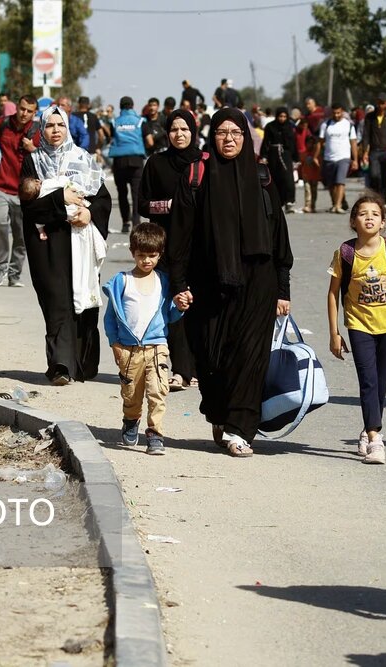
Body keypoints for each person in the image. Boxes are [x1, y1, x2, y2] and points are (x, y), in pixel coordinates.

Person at [167, 108, 294, 457]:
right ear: (212, 136)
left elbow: (278, 236)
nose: (229, 139)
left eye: (236, 133)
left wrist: (283, 288)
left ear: (247, 137)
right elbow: (179, 235)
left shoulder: (263, 176)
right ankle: (221, 413)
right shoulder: (198, 176)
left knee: (250, 357)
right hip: (209, 284)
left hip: (259, 282)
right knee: (211, 357)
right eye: (222, 132)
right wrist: (178, 283)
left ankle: (241, 428)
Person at [20, 106, 113, 386]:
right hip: (48, 241)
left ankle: (82, 363)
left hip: (81, 238)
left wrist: (90, 213)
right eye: (50, 125)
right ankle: (59, 364)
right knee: (56, 299)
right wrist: (60, 198)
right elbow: (29, 206)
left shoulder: (83, 158)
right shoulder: (32, 161)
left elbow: (103, 198)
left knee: (83, 299)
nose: (56, 130)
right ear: (42, 129)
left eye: (61, 125)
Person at [326, 194, 386, 465]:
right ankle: (376, 439)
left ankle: (367, 429)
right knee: (368, 380)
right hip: (358, 324)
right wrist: (334, 333)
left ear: (383, 222)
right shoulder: (345, 253)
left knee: (380, 383)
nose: (369, 218)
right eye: (363, 213)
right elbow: (332, 293)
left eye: (375, 214)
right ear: (353, 221)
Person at [104, 223, 190, 456]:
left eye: (152, 256)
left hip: (157, 346)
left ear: (160, 254)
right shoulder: (122, 282)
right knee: (131, 395)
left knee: (158, 391)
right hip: (129, 350)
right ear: (132, 253)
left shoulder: (164, 281)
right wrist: (115, 344)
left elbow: (170, 315)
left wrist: (180, 308)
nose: (146, 261)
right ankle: (131, 420)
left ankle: (155, 433)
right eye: (141, 256)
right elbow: (111, 318)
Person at [137, 108, 202, 390]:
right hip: (165, 246)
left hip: (201, 246)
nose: (179, 134)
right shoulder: (156, 163)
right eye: (174, 129)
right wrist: (169, 206)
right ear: (167, 133)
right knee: (174, 307)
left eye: (185, 129)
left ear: (193, 131)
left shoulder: (205, 162)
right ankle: (180, 370)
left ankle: (199, 368)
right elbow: (143, 204)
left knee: (199, 308)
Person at [0, 94, 40, 287]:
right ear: (17, 107)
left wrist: (33, 150)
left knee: (21, 234)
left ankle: (15, 273)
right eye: (22, 109)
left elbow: (47, 159)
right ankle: (0, 267)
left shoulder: (37, 131)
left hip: (25, 192)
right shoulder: (1, 124)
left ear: (34, 113)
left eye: (29, 111)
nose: (24, 113)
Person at [109, 96, 147, 233]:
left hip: (119, 161)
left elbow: (111, 138)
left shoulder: (114, 122)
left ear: (120, 107)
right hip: (136, 160)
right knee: (137, 193)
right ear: (132, 106)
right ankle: (136, 222)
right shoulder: (140, 121)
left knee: (122, 193)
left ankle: (125, 222)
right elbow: (146, 139)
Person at [316, 103, 359, 214]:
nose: (336, 115)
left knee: (340, 182)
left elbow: (353, 143)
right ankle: (334, 203)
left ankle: (338, 205)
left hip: (343, 157)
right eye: (334, 113)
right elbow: (320, 142)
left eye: (339, 113)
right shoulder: (326, 124)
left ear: (342, 112)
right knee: (331, 184)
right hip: (329, 158)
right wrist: (316, 156)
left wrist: (355, 159)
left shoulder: (349, 125)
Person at [260, 107, 300, 214]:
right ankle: (278, 202)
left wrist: (296, 158)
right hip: (273, 156)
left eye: (284, 117)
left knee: (288, 179)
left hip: (286, 155)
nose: (282, 119)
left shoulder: (290, 127)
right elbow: (266, 142)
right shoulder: (270, 127)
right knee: (275, 179)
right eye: (280, 116)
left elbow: (293, 144)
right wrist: (263, 156)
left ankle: (289, 202)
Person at [360, 94, 386, 199]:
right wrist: (364, 151)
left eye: (382, 103)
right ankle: (376, 197)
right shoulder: (370, 117)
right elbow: (366, 135)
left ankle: (384, 200)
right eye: (378, 102)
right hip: (374, 152)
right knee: (374, 176)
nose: (380, 105)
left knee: (385, 177)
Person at [300, 135, 322, 213]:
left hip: (315, 176)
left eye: (312, 143)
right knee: (307, 190)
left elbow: (319, 166)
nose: (310, 145)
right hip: (306, 175)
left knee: (314, 191)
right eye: (308, 143)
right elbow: (301, 165)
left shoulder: (316, 155)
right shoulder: (303, 153)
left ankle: (313, 205)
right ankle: (307, 205)